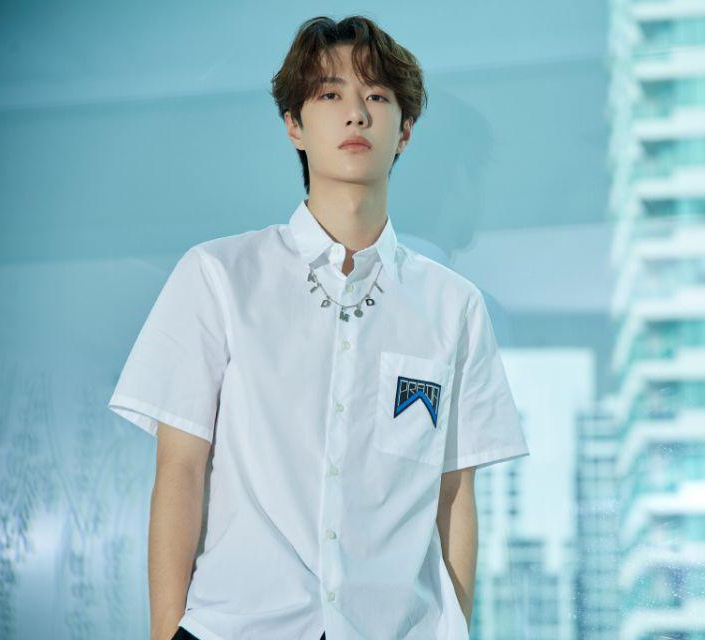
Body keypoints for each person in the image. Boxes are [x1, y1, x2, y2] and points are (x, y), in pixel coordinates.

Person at [108, 14, 530, 640]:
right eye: (330, 95)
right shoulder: (217, 275)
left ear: (405, 131)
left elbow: (454, 494)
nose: (355, 114)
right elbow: (181, 470)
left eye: (376, 97)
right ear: (294, 126)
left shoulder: (455, 307)